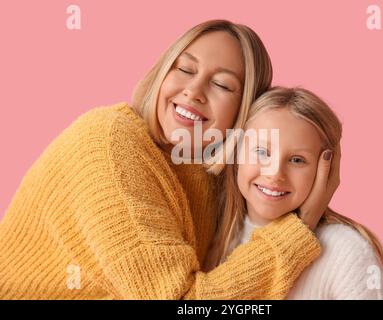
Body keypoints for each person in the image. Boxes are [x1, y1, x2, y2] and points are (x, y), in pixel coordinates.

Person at [0, 20, 339, 299]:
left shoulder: (212, 168)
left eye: (222, 85)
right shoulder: (109, 145)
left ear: (243, 113)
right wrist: (299, 228)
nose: (194, 90)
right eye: (185, 69)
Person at [206, 87, 383, 299]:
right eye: (261, 152)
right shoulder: (211, 239)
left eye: (297, 160)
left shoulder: (346, 251)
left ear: (326, 170)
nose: (275, 173)